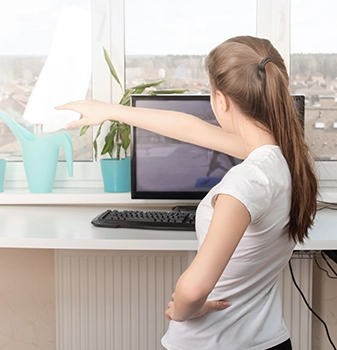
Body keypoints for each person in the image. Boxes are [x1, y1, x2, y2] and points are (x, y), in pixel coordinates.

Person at [56, 36, 318, 350]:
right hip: (269, 340)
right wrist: (110, 110)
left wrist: (182, 309)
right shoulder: (287, 159)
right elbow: (192, 128)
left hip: (210, 344)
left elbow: (194, 290)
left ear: (221, 101)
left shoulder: (245, 183)